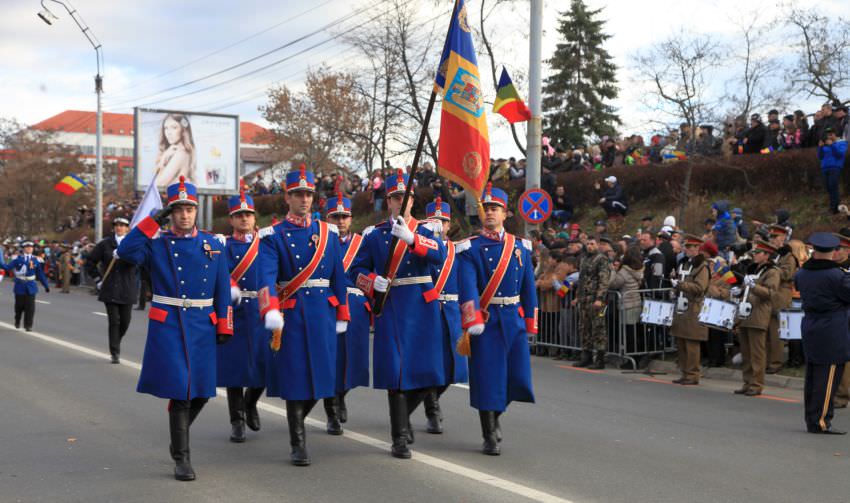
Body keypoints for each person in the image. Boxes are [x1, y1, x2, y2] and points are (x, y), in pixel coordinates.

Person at [116, 176, 233, 481]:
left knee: (203, 392)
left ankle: (176, 436)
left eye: (189, 209)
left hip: (203, 324)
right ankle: (182, 457)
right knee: (181, 390)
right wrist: (151, 223)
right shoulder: (156, 244)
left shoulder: (213, 244)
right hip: (169, 324)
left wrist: (225, 324)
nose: (184, 215)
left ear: (196, 211)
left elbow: (222, 288)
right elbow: (126, 253)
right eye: (178, 209)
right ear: (170, 213)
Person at [349, 169, 447, 459]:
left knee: (429, 375)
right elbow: (353, 271)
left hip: (421, 307)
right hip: (391, 307)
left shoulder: (427, 230)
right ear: (388, 202)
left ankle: (402, 422)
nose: (400, 202)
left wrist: (412, 239)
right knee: (396, 376)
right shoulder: (375, 234)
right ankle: (399, 438)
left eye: (405, 198)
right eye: (395, 198)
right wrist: (371, 282)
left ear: (412, 201)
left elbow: (439, 255)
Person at [257, 166, 350, 466]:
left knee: (323, 377)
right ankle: (298, 442)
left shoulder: (328, 232)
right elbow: (266, 276)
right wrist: (270, 307)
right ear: (287, 197)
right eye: (298, 194)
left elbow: (339, 275)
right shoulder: (273, 236)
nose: (304, 200)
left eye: (308, 194)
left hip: (322, 312)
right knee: (296, 379)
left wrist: (342, 312)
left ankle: (301, 426)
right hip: (293, 314)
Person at [457, 183, 537, 455]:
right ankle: (488, 432)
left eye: (495, 208)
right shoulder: (469, 248)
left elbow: (529, 287)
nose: (490, 212)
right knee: (487, 377)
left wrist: (530, 321)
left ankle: (497, 415)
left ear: (506, 214)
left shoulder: (521, 247)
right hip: (487, 320)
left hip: (513, 318)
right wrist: (472, 318)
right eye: (486, 208)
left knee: (516, 377)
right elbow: (466, 286)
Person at [215, 190, 267, 444]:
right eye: (239, 215)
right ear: (231, 219)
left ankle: (251, 403)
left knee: (265, 363)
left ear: (254, 217)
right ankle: (237, 421)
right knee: (234, 368)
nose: (244, 219)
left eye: (248, 214)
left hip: (260, 308)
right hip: (234, 310)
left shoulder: (266, 243)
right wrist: (229, 285)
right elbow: (216, 272)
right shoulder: (223, 245)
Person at [419, 197, 469, 435]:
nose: (439, 224)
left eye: (443, 221)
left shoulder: (458, 251)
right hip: (427, 312)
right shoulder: (419, 249)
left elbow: (465, 284)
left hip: (451, 313)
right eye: (435, 220)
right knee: (431, 365)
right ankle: (432, 409)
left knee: (454, 368)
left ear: (449, 226)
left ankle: (432, 399)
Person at [323, 191, 371, 434]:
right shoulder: (319, 240)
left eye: (344, 216)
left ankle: (341, 393)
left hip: (357, 309)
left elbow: (368, 272)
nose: (340, 221)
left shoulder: (363, 243)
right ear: (327, 219)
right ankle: (331, 409)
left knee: (355, 359)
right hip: (329, 306)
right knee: (332, 359)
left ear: (351, 219)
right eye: (335, 217)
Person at [794, 233, 850, 434]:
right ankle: (821, 421)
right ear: (833, 252)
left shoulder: (802, 273)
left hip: (810, 324)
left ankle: (812, 417)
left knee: (813, 374)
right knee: (828, 377)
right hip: (832, 327)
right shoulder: (837, 276)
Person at [730, 239, 780, 397]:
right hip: (745, 314)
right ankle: (747, 382)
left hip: (758, 314)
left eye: (758, 253)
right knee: (746, 352)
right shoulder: (753, 269)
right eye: (754, 253)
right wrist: (740, 290)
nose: (755, 256)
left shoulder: (772, 271)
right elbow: (748, 288)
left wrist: (753, 286)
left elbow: (770, 293)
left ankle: (757, 384)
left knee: (757, 352)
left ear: (766, 255)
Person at [86, 217, 137, 364]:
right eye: (117, 225)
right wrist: (98, 280)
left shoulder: (132, 244)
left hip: (127, 287)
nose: (119, 227)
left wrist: (126, 255)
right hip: (110, 287)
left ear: (128, 228)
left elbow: (140, 261)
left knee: (125, 322)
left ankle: (116, 341)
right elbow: (90, 262)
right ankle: (115, 352)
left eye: (123, 225)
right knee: (114, 321)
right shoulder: (105, 244)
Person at [669, 235, 710, 385]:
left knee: (691, 343)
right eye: (685, 247)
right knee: (681, 341)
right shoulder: (684, 264)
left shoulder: (702, 266)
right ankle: (684, 372)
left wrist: (680, 285)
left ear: (697, 248)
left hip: (694, 307)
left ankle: (692, 374)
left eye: (689, 247)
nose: (686, 250)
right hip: (681, 306)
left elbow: (700, 288)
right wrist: (675, 285)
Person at [572, 236, 611, 369]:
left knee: (598, 328)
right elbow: (581, 279)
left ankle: (600, 359)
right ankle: (586, 356)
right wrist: (578, 296)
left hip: (597, 300)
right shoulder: (583, 259)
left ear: (597, 245)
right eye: (588, 244)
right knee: (584, 327)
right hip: (584, 299)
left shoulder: (602, 259)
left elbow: (604, 280)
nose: (589, 246)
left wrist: (600, 298)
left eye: (592, 244)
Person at [765, 224, 798, 374]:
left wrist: (772, 268)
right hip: (767, 293)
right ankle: (764, 361)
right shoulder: (772, 254)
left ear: (783, 238)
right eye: (770, 236)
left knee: (775, 332)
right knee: (764, 330)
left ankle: (775, 362)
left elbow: (787, 275)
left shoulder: (788, 256)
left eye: (775, 237)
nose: (772, 239)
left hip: (780, 294)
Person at [0, 241, 50, 331]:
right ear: (23, 249)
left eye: (31, 247)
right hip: (20, 285)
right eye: (27, 247)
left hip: (31, 286)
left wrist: (46, 285)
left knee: (30, 307)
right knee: (19, 306)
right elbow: (7, 268)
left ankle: (28, 325)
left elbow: (40, 274)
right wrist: (0, 262)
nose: (29, 249)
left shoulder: (36, 260)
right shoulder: (17, 260)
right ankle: (17, 320)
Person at [154, 114, 197, 187]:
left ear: (183, 130)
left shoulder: (180, 154)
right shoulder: (174, 151)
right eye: (166, 128)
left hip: (175, 196)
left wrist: (163, 159)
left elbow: (158, 184)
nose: (169, 133)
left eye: (174, 128)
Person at [818, 127, 847, 214]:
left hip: (835, 167)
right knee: (828, 188)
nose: (829, 136)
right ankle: (831, 207)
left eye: (831, 134)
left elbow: (840, 154)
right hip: (825, 168)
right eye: (828, 134)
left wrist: (832, 145)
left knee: (833, 187)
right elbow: (820, 156)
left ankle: (835, 208)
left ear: (835, 134)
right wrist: (820, 147)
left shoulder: (842, 143)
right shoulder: (826, 144)